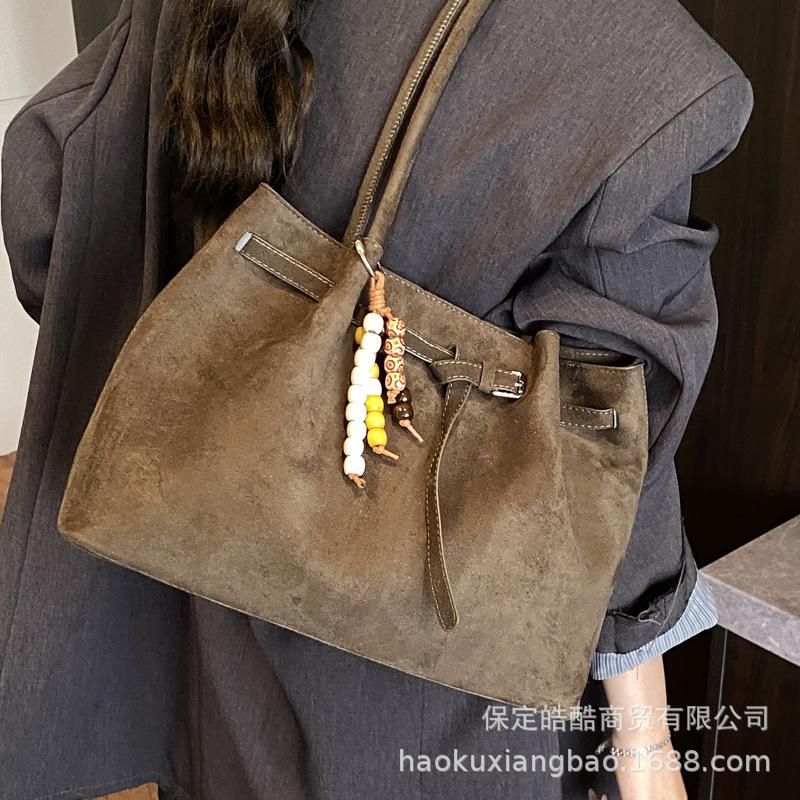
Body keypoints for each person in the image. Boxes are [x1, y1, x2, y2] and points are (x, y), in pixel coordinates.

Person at [0, 1, 753, 798]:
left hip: (218, 593)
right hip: (438, 679)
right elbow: (615, 448)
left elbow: (43, 184)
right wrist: (646, 743)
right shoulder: (636, 63)